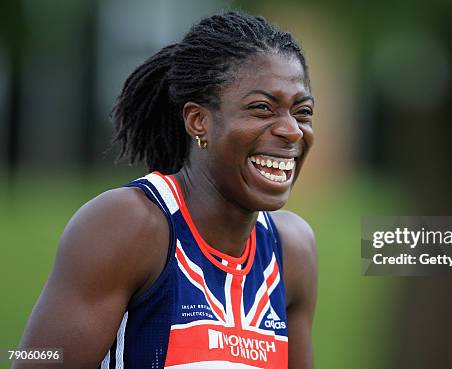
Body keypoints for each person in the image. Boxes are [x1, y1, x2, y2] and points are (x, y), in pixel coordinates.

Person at [15, 11, 317, 369]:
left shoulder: (292, 250)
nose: (292, 130)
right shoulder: (128, 226)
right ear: (198, 121)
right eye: (262, 108)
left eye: (302, 112)